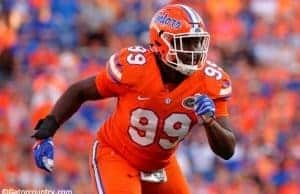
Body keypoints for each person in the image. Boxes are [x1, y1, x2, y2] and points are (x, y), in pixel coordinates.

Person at [31, 4, 236, 194]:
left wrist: (210, 123)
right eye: (187, 42)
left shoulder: (209, 82)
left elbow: (227, 150)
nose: (194, 50)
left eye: (197, 42)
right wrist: (46, 131)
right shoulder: (135, 68)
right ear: (161, 42)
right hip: (117, 156)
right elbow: (80, 91)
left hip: (161, 164)